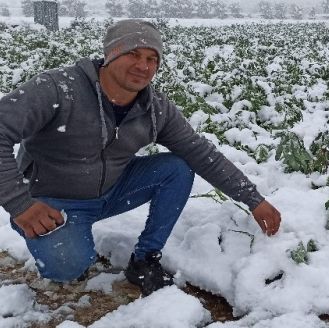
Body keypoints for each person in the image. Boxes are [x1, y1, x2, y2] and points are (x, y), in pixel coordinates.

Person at [0, 19, 281, 296]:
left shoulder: (154, 108)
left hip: (112, 191)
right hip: (54, 202)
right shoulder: (58, 88)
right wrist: (20, 204)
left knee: (178, 167)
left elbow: (200, 152)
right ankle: (61, 237)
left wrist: (253, 200)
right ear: (110, 54)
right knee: (67, 268)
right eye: (132, 54)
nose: (143, 66)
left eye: (152, 58)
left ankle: (145, 258)